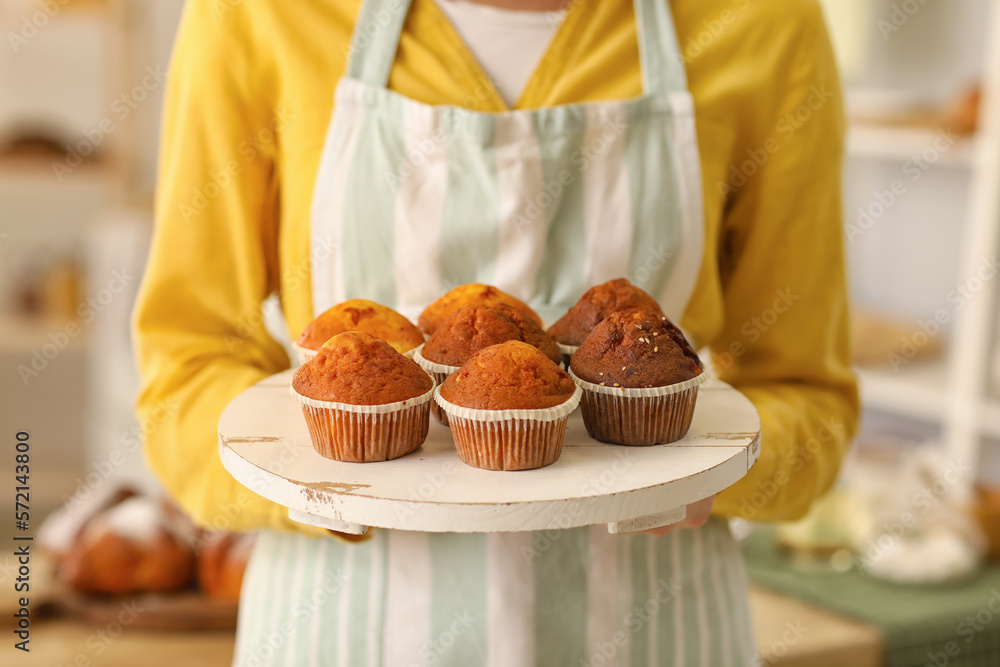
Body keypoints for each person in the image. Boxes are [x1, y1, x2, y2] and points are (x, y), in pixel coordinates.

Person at [133, 0, 859, 664]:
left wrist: (705, 470)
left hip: (652, 630)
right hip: (346, 628)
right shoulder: (254, 15)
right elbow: (185, 374)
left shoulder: (765, 21)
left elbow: (810, 398)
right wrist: (323, 479)